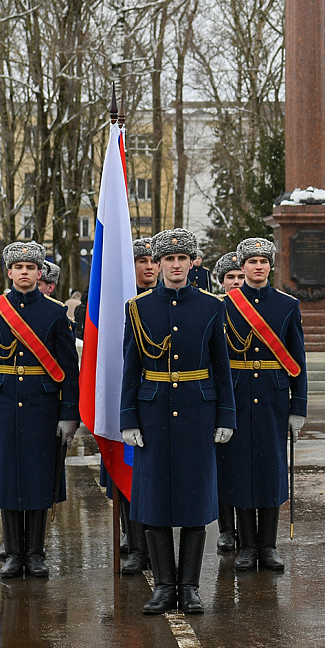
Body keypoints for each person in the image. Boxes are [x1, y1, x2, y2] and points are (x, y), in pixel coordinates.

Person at [121, 228, 235, 615]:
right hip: (152, 414)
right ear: (157, 264)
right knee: (153, 502)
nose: (174, 265)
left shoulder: (211, 307)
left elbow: (222, 367)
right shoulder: (137, 308)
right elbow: (130, 367)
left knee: (192, 502)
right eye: (167, 259)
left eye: (181, 259)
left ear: (191, 262)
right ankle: (164, 587)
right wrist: (128, 418)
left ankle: (189, 587)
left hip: (196, 413)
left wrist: (226, 416)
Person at [0, 241, 79, 580]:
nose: (26, 273)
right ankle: (14, 554)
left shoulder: (55, 312)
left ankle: (36, 553)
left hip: (42, 404)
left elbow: (68, 368)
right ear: (10, 272)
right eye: (19, 268)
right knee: (9, 480)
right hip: (3, 405)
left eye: (32, 267)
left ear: (40, 272)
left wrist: (69, 414)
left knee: (39, 479)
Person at [218, 236, 306, 577]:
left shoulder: (287, 305)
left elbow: (298, 359)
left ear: (271, 266)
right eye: (251, 261)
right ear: (242, 267)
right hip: (238, 396)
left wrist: (298, 406)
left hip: (272, 396)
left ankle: (268, 546)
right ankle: (247, 546)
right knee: (239, 470)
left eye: (263, 261)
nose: (258, 266)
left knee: (270, 471)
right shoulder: (225, 306)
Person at [114, 237, 161, 576]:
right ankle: (136, 545)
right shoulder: (116, 302)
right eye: (139, 260)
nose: (147, 266)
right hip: (129, 397)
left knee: (156, 478)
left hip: (161, 399)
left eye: (151, 260)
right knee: (129, 476)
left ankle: (157, 548)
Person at [211, 248, 245, 556]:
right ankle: (226, 529)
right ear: (221, 282)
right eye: (230, 277)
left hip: (248, 392)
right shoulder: (213, 308)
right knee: (223, 465)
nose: (235, 282)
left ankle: (248, 531)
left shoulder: (256, 308)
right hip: (221, 393)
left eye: (240, 277)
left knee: (246, 465)